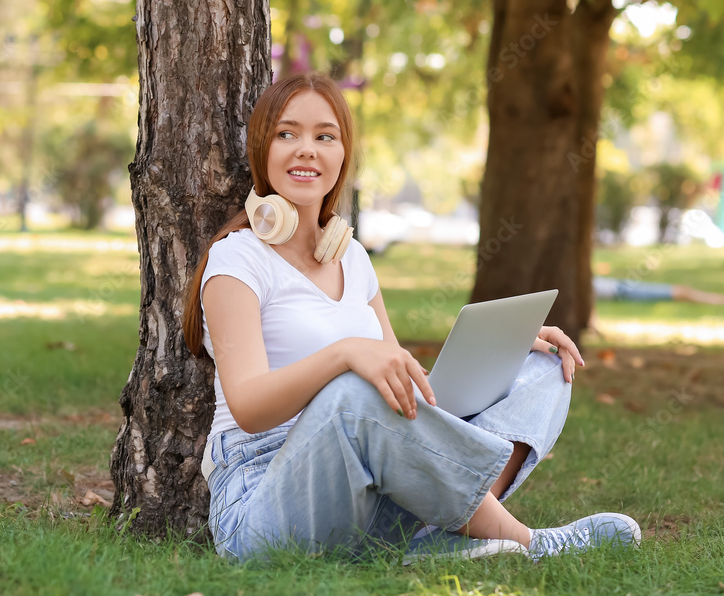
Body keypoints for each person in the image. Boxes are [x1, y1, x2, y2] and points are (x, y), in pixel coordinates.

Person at [181, 73, 641, 564]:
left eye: (325, 136)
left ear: (342, 153)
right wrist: (345, 356)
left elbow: (402, 383)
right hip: (262, 502)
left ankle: (423, 540)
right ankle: (532, 543)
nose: (307, 150)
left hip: (367, 485)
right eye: (287, 134)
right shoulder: (238, 259)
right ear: (262, 148)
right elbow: (248, 405)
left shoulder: (352, 257)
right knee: (353, 392)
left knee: (544, 370)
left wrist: (501, 349)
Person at [593, 276, 724, 305]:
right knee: (679, 292)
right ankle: (717, 300)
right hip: (621, 291)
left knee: (680, 292)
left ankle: (717, 299)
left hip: (621, 288)